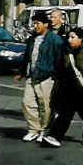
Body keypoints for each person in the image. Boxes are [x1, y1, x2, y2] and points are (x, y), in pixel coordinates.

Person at [42, 28, 83, 147]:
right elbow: (60, 68)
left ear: (80, 39)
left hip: (82, 88)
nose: (69, 40)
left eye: (73, 37)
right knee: (65, 113)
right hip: (68, 88)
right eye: (69, 37)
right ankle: (55, 136)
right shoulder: (66, 51)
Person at [14, 11, 64, 142]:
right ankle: (33, 129)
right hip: (32, 76)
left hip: (47, 77)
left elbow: (60, 61)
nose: (35, 26)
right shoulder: (32, 39)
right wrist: (21, 72)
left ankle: (44, 130)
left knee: (45, 106)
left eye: (38, 23)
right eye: (34, 23)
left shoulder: (55, 40)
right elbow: (27, 57)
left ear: (46, 24)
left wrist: (57, 78)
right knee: (27, 103)